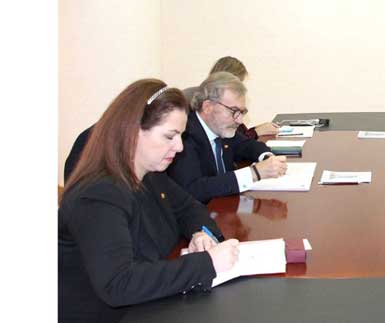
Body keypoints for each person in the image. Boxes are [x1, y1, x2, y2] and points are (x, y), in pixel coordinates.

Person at [59, 80, 241, 323]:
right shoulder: (98, 195)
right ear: (132, 132)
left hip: (149, 303)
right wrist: (206, 263)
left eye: (181, 136)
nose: (179, 147)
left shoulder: (150, 174)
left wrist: (200, 234)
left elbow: (189, 207)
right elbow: (118, 283)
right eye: (170, 136)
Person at [168, 72, 288, 203]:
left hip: (228, 205)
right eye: (234, 111)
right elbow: (194, 189)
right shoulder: (185, 135)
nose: (239, 120)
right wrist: (254, 173)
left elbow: (247, 145)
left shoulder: (221, 128)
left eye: (242, 112)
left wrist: (267, 157)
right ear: (208, 107)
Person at [184, 56, 279, 139]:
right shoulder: (204, 103)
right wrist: (256, 132)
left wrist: (256, 129)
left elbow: (239, 134)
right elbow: (229, 141)